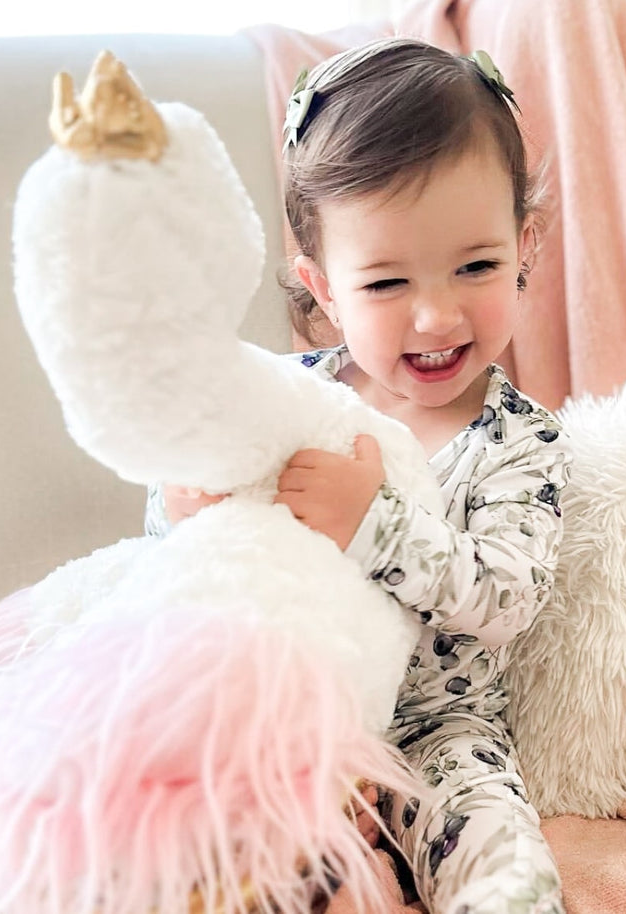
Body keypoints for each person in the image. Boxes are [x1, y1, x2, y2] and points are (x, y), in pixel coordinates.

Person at [146, 37, 570, 914]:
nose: (436, 314)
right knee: (222, 853)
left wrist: (371, 522)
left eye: (477, 266)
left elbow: (504, 600)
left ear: (525, 248)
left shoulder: (520, 440)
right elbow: (185, 565)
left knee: (505, 862)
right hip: (288, 710)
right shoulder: (280, 400)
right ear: (322, 287)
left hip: (440, 729)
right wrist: (183, 510)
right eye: (384, 282)